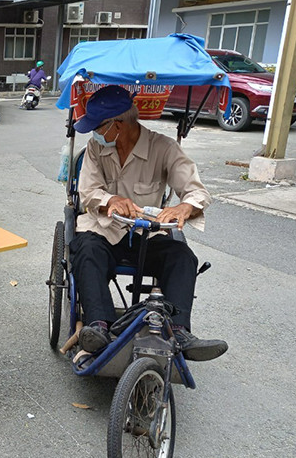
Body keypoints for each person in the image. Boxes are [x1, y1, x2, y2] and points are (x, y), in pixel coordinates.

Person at [70, 85, 228, 361]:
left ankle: (178, 331)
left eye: (97, 126)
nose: (94, 133)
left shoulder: (163, 148)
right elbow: (88, 191)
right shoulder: (96, 146)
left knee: (182, 257)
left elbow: (197, 191)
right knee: (85, 250)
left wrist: (185, 206)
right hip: (104, 229)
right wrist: (110, 200)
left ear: (117, 125)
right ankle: (98, 326)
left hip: (147, 232)